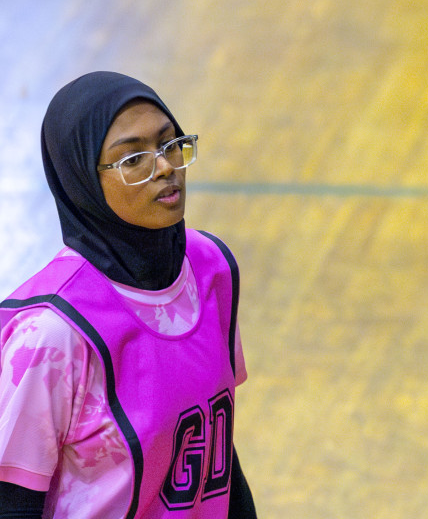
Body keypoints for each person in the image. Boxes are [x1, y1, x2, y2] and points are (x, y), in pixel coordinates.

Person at [0, 72, 258, 519]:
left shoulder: (210, 266)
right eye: (134, 158)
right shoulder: (50, 335)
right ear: (82, 179)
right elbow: (11, 505)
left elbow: (214, 454)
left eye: (170, 143)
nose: (165, 167)